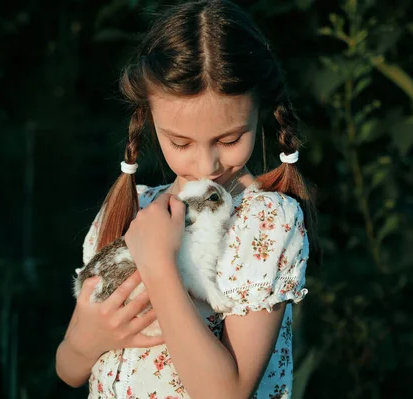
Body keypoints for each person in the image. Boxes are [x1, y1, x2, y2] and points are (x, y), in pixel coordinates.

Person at [56, 0, 320, 397]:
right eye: (180, 142)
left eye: (229, 139)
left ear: (259, 112)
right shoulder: (133, 208)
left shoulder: (264, 222)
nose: (207, 164)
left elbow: (225, 393)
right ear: (150, 119)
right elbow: (68, 369)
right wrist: (85, 341)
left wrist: (158, 265)